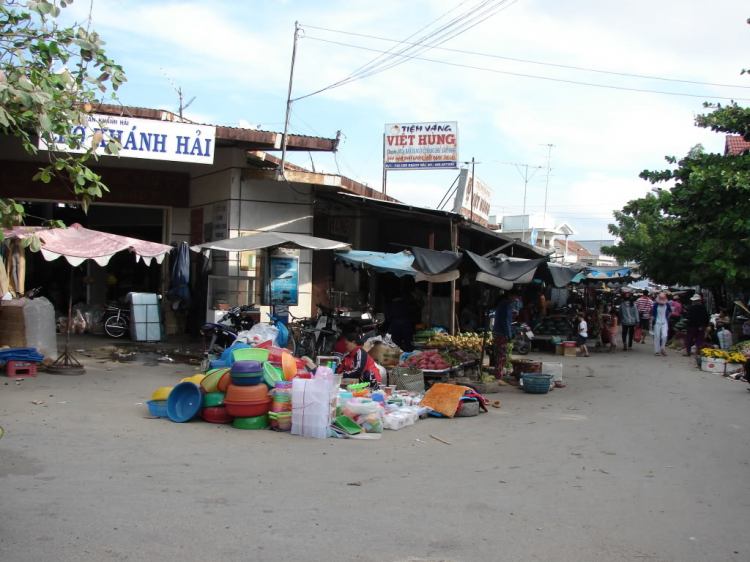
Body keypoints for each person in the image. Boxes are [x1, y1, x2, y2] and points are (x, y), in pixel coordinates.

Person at [493, 290, 515, 376]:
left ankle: (498, 372)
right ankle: (498, 373)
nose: (515, 299)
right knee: (502, 354)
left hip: (498, 332)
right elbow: (505, 320)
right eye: (515, 296)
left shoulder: (503, 303)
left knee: (499, 353)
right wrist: (508, 334)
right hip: (501, 332)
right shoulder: (506, 304)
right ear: (510, 295)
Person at [651, 292, 672, 356]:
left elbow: (670, 311)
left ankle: (663, 348)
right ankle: (657, 351)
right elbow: (652, 314)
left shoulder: (667, 304)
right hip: (657, 322)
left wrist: (667, 318)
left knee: (664, 336)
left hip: (664, 322)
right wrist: (651, 323)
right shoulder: (655, 304)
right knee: (657, 336)